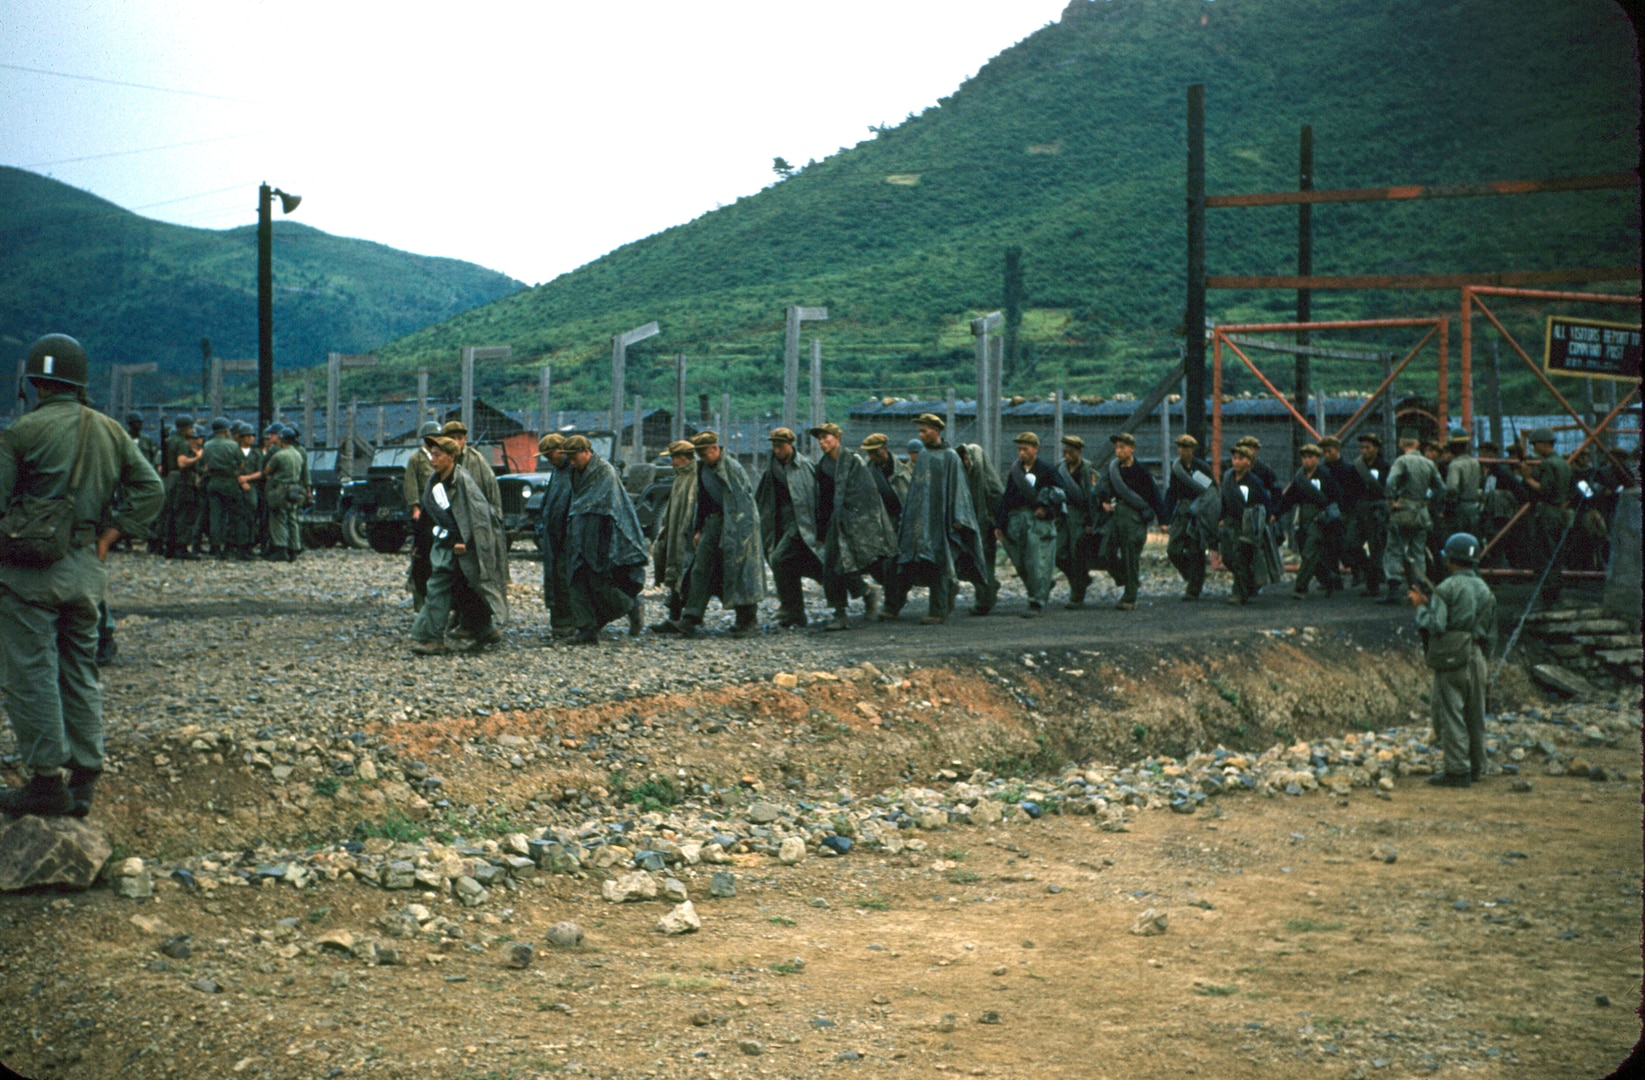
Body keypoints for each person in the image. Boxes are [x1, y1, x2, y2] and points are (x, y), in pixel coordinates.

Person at [0, 334, 162, 816]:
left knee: (31, 674)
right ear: (79, 383)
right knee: (79, 669)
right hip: (86, 572)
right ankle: (86, 774)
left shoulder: (20, 434)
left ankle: (47, 782)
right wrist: (110, 537)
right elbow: (150, 488)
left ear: (34, 383)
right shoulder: (111, 431)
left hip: (28, 576)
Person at [409, 437, 510, 655]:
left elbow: (479, 515)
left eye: (437, 455)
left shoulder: (464, 481)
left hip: (463, 546)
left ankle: (430, 637)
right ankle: (484, 629)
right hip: (444, 543)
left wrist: (463, 540)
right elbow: (429, 515)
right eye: (431, 455)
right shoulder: (434, 483)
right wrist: (419, 543)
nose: (433, 460)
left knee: (442, 586)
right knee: (462, 587)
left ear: (451, 457)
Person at [1411, 532, 1497, 787]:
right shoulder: (1485, 589)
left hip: (1451, 658)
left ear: (1451, 560)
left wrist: (1419, 607)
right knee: (1475, 715)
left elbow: (1436, 625)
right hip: (1477, 657)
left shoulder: (1447, 588)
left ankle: (1457, 771)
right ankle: (1477, 767)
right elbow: (1491, 633)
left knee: (1451, 716)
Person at [893, 414, 991, 623]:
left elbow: (959, 489)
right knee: (914, 561)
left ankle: (938, 611)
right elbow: (916, 490)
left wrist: (958, 517)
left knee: (939, 559)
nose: (921, 435)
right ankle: (894, 605)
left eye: (924, 431)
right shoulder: (924, 456)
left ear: (936, 431)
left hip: (942, 520)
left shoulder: (950, 457)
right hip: (921, 521)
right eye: (919, 431)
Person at [676, 431, 765, 637]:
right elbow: (704, 500)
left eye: (705, 454)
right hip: (714, 522)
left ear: (715, 449)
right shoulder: (704, 469)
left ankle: (748, 620)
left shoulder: (731, 469)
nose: (702, 459)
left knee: (740, 569)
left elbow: (742, 503)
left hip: (738, 524)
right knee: (701, 566)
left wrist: (739, 534)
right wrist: (699, 528)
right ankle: (691, 617)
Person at [560, 436, 648, 643]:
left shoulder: (604, 472)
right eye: (569, 458)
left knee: (599, 583)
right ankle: (587, 629)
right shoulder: (576, 473)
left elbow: (608, 507)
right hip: (580, 533)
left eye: (574, 457)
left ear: (586, 452)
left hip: (601, 534)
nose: (571, 462)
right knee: (576, 579)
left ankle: (631, 605)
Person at [812, 422, 895, 630]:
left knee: (847, 564)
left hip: (854, 521)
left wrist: (859, 522)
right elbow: (822, 500)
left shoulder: (853, 461)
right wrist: (821, 530)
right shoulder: (822, 466)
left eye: (826, 438)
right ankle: (841, 611)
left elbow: (866, 493)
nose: (822, 442)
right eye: (820, 439)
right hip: (834, 523)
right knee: (831, 567)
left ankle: (870, 594)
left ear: (837, 438)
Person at [755, 427, 825, 628]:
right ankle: (795, 613)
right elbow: (763, 497)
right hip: (781, 523)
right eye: (774, 446)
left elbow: (816, 498)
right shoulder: (772, 468)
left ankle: (789, 607)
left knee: (780, 559)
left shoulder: (804, 467)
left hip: (802, 523)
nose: (777, 450)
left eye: (780, 446)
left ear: (790, 445)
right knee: (795, 566)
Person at [1093, 432, 1166, 611]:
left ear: (1132, 449)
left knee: (1130, 556)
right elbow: (1103, 489)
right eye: (1116, 447)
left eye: (1122, 447)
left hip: (1134, 518)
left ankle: (1130, 596)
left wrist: (1163, 520)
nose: (1118, 451)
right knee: (1105, 554)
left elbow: (1154, 495)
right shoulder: (1113, 470)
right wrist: (1103, 502)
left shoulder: (1140, 471)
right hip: (1116, 516)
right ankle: (1127, 579)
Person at [995, 431, 1061, 617]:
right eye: (1019, 449)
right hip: (1016, 521)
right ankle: (1042, 587)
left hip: (1038, 522)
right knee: (1020, 561)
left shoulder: (1047, 470)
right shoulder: (1015, 471)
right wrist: (1000, 524)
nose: (1021, 453)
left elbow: (1060, 494)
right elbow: (1007, 497)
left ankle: (1036, 602)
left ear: (1035, 449)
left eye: (1025, 449)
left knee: (1036, 562)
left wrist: (1047, 510)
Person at [1275, 444, 1344, 598]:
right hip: (1302, 517)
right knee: (1309, 554)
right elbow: (1289, 499)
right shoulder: (1299, 478)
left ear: (1317, 459)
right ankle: (1329, 577)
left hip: (1318, 518)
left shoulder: (1325, 476)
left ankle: (1300, 588)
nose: (1306, 460)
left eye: (1310, 457)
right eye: (1304, 457)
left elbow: (1336, 496)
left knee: (1309, 552)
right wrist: (1276, 513)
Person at [1381, 436, 1444, 604]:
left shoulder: (1401, 461)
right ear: (1417, 444)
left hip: (1403, 509)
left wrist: (1391, 501)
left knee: (1393, 548)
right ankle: (1419, 588)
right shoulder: (1429, 463)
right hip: (1421, 511)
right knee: (1418, 550)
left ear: (1401, 443)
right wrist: (1430, 503)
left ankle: (1394, 590)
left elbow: (1390, 482)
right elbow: (1441, 488)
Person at [1520, 426, 1574, 608]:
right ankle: (1554, 592)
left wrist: (1527, 477)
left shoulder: (1548, 464)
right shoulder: (1563, 463)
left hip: (1548, 512)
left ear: (1544, 444)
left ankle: (1548, 596)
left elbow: (1544, 490)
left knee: (1544, 553)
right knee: (1556, 553)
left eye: (1535, 445)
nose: (1533, 448)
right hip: (1559, 512)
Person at [649, 440, 698, 632]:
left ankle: (687, 619)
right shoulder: (681, 477)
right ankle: (674, 616)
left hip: (688, 534)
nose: (671, 463)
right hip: (675, 531)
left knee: (686, 573)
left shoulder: (694, 477)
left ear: (683, 458)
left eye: (674, 459)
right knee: (675, 570)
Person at [1164, 434, 1216, 601]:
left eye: (1185, 447)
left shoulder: (1200, 468)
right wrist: (1165, 516)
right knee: (1173, 549)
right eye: (1179, 447)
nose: (1181, 451)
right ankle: (1191, 575)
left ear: (1192, 449)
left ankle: (1193, 589)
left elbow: (1210, 490)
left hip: (1199, 510)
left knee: (1196, 550)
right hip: (1182, 510)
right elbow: (1172, 492)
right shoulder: (1177, 468)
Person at [1217, 443, 1272, 605]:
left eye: (1241, 458)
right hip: (1230, 523)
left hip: (1246, 524)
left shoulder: (1254, 482)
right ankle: (1249, 583)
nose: (1236, 462)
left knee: (1240, 557)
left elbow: (1264, 502)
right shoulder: (1227, 478)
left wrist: (1262, 522)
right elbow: (1224, 500)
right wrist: (1221, 517)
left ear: (1249, 461)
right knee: (1228, 557)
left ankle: (1239, 593)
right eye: (1234, 458)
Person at [535, 433, 578, 639]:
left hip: (568, 535)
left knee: (565, 577)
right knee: (553, 577)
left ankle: (569, 620)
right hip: (553, 535)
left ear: (561, 449)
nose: (549, 460)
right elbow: (549, 500)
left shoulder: (575, 470)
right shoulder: (556, 472)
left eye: (550, 455)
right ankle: (558, 621)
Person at [953, 440, 1004, 610]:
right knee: (969, 565)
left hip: (985, 529)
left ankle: (984, 602)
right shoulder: (964, 477)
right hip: (968, 529)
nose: (966, 462)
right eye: (964, 459)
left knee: (984, 566)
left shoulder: (987, 480)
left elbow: (997, 499)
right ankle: (989, 589)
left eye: (968, 458)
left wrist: (997, 525)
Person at [1052, 435, 1098, 607]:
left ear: (1079, 451)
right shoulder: (1060, 469)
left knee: (1078, 556)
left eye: (1070, 452)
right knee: (1059, 554)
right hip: (1064, 517)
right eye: (1065, 452)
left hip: (1081, 517)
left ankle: (1077, 595)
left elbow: (1092, 498)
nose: (1067, 455)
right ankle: (1081, 580)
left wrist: (1090, 522)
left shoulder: (1087, 470)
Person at [1342, 432, 1390, 596]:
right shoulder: (1356, 467)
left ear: (1376, 449)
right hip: (1359, 509)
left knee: (1376, 548)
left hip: (1376, 510)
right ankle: (1369, 571)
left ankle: (1373, 585)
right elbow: (1349, 489)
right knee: (1351, 545)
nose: (1363, 451)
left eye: (1367, 447)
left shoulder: (1385, 467)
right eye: (1362, 447)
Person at [403, 422, 442, 609]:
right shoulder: (416, 459)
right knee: (419, 555)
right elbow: (410, 484)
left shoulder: (441, 457)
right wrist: (415, 507)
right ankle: (419, 599)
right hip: (423, 511)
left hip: (438, 511)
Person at [200, 417, 244, 559]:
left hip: (213, 481)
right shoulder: (232, 445)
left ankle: (215, 547)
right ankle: (229, 546)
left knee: (215, 516)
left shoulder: (207, 445)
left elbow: (204, 463)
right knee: (233, 515)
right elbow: (241, 464)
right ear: (226, 431)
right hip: (230, 482)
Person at [261, 426, 305, 562]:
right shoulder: (298, 454)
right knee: (292, 518)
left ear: (283, 440)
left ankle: (281, 548)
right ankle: (294, 547)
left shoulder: (279, 455)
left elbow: (267, 471)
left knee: (278, 517)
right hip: (295, 488)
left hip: (280, 488)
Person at [442, 419, 502, 515]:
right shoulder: (439, 459)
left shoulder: (475, 459)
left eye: (459, 438)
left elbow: (491, 484)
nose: (456, 442)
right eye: (452, 438)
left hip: (473, 512)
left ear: (465, 440)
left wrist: (495, 513)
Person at [1443, 428, 1483, 540]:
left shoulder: (1455, 465)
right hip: (1474, 507)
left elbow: (1452, 488)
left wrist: (1448, 510)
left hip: (1460, 508)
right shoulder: (1475, 463)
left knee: (1457, 540)